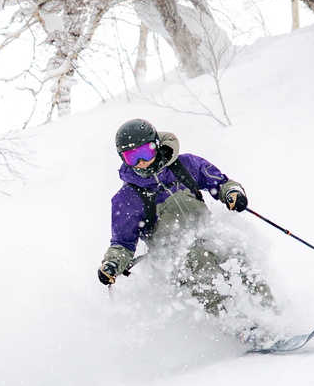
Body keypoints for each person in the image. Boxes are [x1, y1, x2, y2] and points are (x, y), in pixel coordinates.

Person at [98, 118, 275, 339]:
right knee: (200, 262)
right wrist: (112, 263)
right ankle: (238, 326)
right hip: (172, 254)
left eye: (146, 152)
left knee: (235, 253)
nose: (142, 162)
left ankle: (272, 316)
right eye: (132, 157)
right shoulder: (127, 198)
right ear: (123, 159)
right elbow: (122, 244)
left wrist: (232, 193)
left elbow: (221, 182)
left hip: (206, 232)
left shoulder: (185, 166)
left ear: (157, 144)